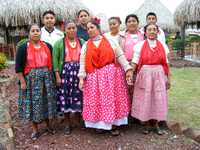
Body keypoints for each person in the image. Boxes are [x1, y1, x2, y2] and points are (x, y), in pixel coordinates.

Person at [78, 20, 133, 135]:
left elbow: (120, 55)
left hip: (111, 77)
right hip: (94, 78)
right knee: (98, 100)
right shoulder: (86, 45)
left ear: (98, 28)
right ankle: (101, 125)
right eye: (87, 29)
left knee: (111, 100)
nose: (89, 30)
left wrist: (128, 68)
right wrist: (81, 78)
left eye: (92, 27)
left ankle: (113, 124)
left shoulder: (110, 41)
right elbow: (82, 62)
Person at [15, 24, 57, 140]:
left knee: (47, 102)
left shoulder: (48, 46)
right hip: (31, 81)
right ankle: (35, 129)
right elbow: (18, 67)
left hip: (47, 79)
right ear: (29, 33)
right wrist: (22, 82)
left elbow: (52, 64)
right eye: (32, 31)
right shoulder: (23, 47)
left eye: (37, 30)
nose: (35, 33)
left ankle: (49, 125)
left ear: (40, 32)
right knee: (34, 104)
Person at [131, 23, 170, 135]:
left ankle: (156, 124)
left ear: (157, 32)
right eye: (149, 29)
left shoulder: (163, 46)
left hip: (159, 75)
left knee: (158, 98)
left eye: (154, 29)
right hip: (145, 75)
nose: (152, 31)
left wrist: (168, 79)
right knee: (145, 98)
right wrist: (130, 73)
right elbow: (135, 61)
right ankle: (147, 124)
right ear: (145, 32)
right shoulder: (140, 45)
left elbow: (166, 64)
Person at [53, 21, 85, 135]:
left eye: (73, 28)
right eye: (69, 28)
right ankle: (67, 122)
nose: (71, 30)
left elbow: (85, 58)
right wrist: (57, 76)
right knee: (65, 97)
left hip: (79, 74)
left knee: (79, 96)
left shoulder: (82, 42)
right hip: (65, 73)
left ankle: (78, 120)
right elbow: (55, 61)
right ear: (64, 30)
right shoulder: (58, 43)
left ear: (76, 29)